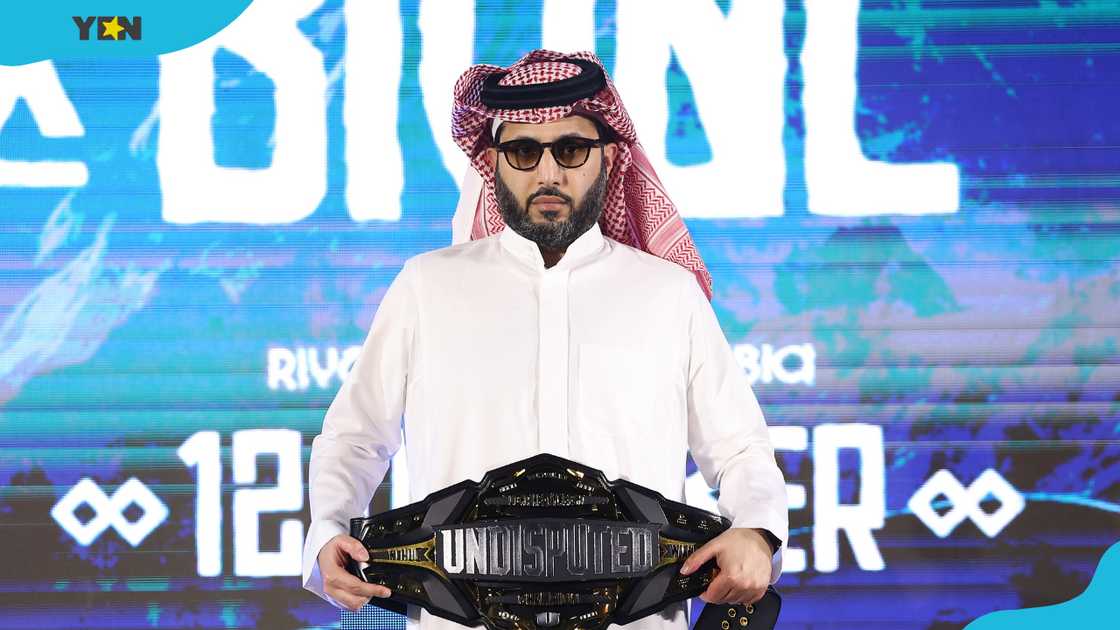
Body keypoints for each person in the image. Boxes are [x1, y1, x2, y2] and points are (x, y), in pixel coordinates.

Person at [302, 50, 789, 630]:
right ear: (494, 161)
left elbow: (740, 450)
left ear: (607, 158)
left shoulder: (667, 293)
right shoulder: (428, 287)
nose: (549, 173)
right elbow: (355, 438)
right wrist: (329, 530)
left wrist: (756, 532)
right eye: (524, 152)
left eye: (571, 150)